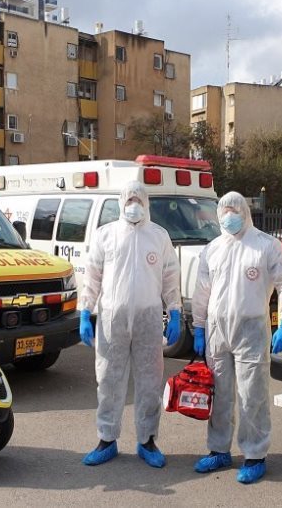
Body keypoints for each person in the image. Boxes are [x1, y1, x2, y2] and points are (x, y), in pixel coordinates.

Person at [191, 191, 282, 484]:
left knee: (252, 395)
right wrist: (198, 326)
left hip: (251, 330)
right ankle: (219, 450)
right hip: (217, 331)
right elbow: (202, 291)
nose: (229, 216)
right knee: (220, 394)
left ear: (245, 212)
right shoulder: (212, 249)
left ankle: (255, 455)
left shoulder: (265, 245)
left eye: (234, 210)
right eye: (224, 211)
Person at [78, 180, 182, 468]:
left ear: (146, 203)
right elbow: (93, 276)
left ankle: (147, 440)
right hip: (112, 319)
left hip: (149, 318)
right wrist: (85, 311)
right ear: (121, 203)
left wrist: (175, 311)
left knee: (150, 381)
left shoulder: (158, 236)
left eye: (138, 200)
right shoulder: (106, 235)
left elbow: (170, 277)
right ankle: (106, 439)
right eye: (129, 200)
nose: (133, 206)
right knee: (108, 379)